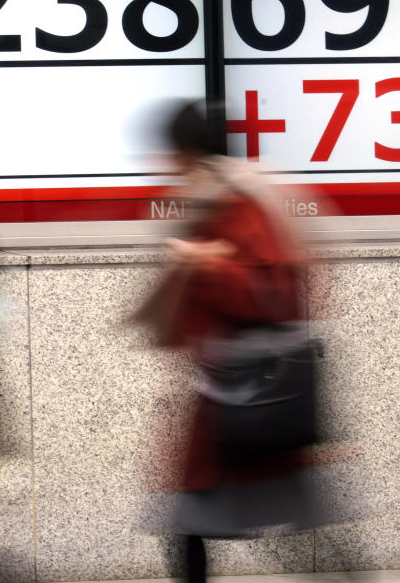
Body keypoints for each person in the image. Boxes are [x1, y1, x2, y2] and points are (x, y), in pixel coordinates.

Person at [136, 101, 321, 583]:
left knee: (198, 515)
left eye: (172, 154)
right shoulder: (213, 199)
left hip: (250, 395)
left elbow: (278, 295)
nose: (164, 165)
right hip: (229, 393)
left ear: (190, 154)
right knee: (194, 517)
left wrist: (208, 266)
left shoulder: (240, 204)